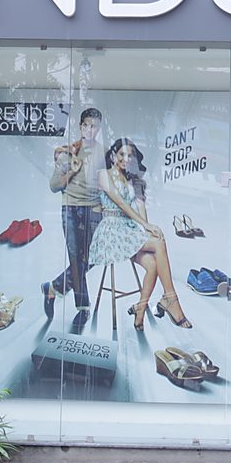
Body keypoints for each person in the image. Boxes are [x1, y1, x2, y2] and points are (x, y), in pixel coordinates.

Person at [86, 138, 193, 331]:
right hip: (111, 231)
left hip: (128, 231)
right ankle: (170, 299)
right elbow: (120, 203)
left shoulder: (132, 180)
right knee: (159, 243)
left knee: (152, 263)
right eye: (122, 154)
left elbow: (141, 207)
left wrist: (148, 227)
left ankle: (140, 309)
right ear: (113, 155)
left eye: (130, 156)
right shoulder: (103, 174)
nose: (125, 159)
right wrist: (144, 224)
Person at [43, 107, 106, 329]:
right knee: (76, 260)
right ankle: (83, 308)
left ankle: (54, 288)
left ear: (99, 129)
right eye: (86, 125)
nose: (90, 129)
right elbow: (53, 186)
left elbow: (106, 186)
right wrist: (72, 170)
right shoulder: (68, 152)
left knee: (91, 258)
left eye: (95, 126)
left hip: (94, 210)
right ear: (80, 126)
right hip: (70, 209)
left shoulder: (103, 153)